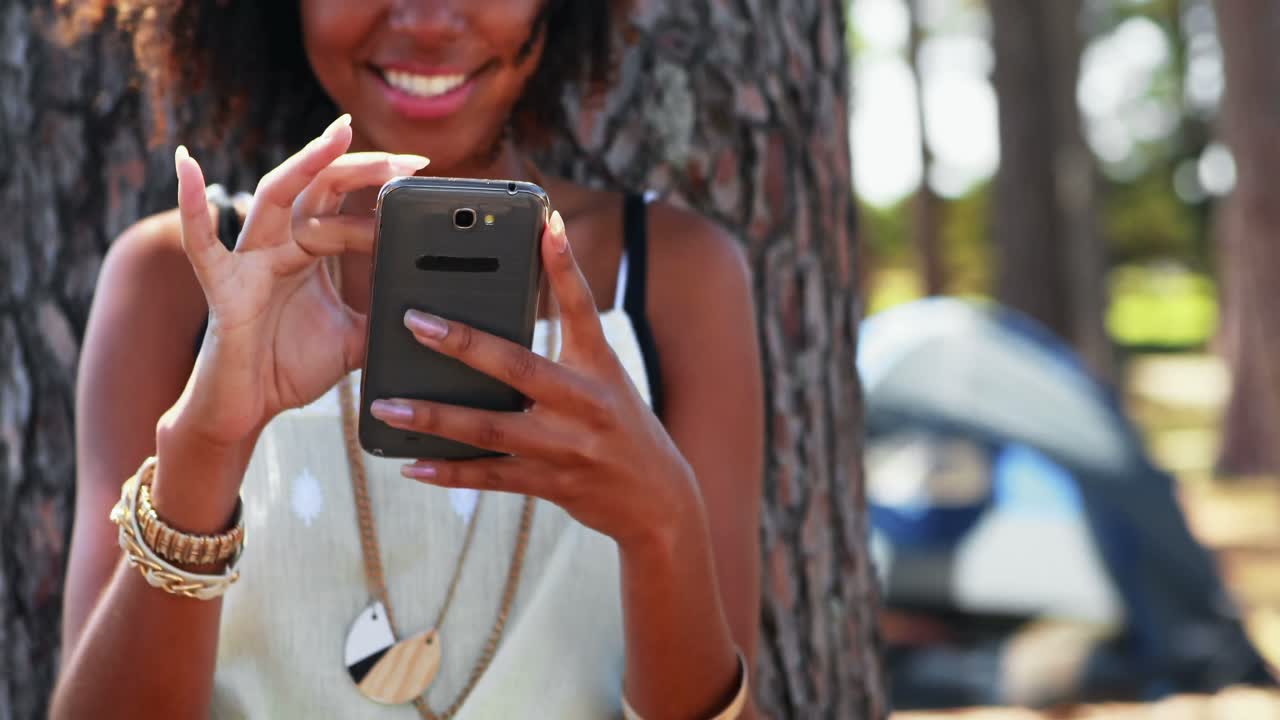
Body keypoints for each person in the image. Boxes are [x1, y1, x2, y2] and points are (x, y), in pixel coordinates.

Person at [51, 3, 764, 718]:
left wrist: (661, 527)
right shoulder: (184, 279)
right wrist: (207, 450)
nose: (426, 20)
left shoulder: (676, 279)